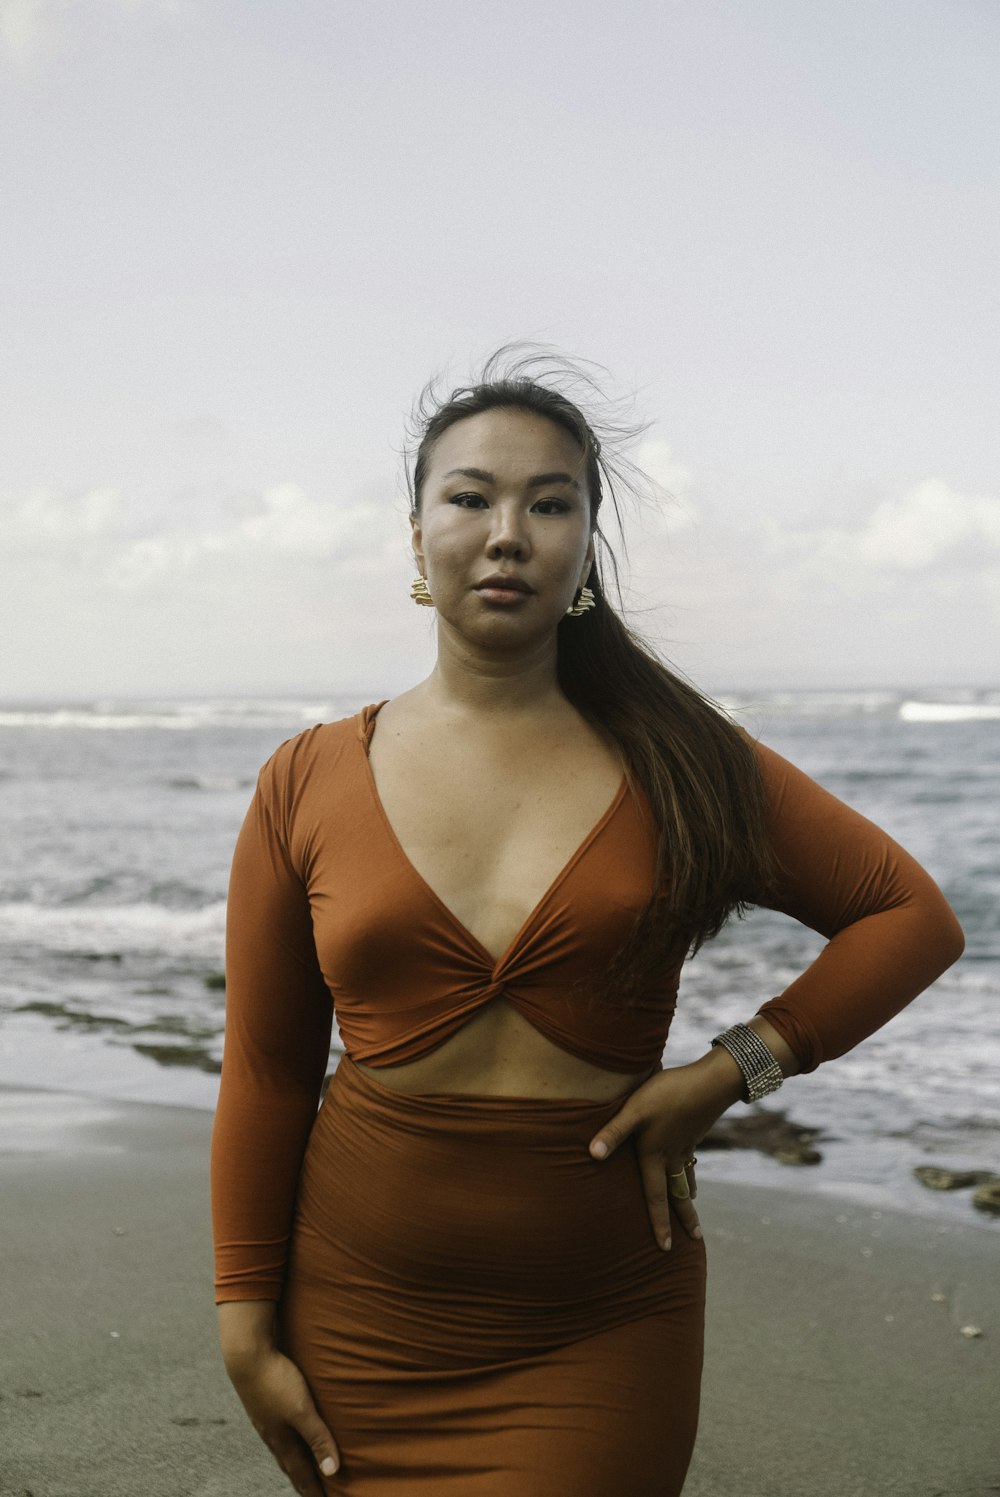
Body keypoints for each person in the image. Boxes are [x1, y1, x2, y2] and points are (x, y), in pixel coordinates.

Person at [210, 348, 965, 1497]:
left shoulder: (683, 764)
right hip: (359, 1323)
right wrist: (244, 1325)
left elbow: (906, 914)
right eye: (469, 496)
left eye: (548, 502)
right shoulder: (304, 781)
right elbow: (267, 1072)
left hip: (599, 1328)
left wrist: (733, 1069)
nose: (507, 531)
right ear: (416, 537)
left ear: (584, 548)